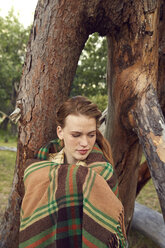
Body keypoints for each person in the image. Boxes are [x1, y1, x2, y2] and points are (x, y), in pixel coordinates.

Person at [19, 96, 126, 248]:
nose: (85, 143)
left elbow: (108, 227)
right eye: (76, 135)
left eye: (91, 135)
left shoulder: (103, 172)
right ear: (60, 132)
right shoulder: (37, 169)